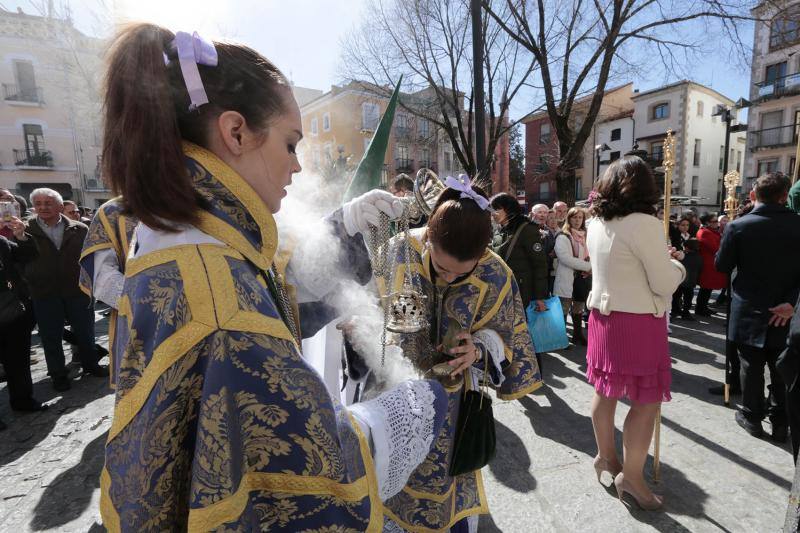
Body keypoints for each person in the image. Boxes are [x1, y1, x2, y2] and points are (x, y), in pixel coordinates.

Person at [98, 24, 450, 531]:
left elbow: (275, 291)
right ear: (235, 132)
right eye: (290, 143)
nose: (297, 167)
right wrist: (404, 413)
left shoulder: (184, 238)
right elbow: (306, 469)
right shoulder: (217, 294)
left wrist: (346, 224)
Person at [365, 175, 542, 532]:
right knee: (389, 481)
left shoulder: (496, 274)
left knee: (442, 488)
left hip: (453, 405)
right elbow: (374, 306)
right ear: (428, 236)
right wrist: (365, 326)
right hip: (394, 394)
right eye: (441, 267)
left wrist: (478, 349)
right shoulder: (400, 250)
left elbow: (506, 336)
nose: (446, 278)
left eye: (461, 273)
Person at [585, 156, 685, 511]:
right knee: (646, 402)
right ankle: (632, 476)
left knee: (605, 391)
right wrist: (676, 265)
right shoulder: (644, 223)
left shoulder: (596, 221)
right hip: (637, 322)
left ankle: (606, 457)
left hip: (602, 317)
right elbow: (663, 282)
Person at [716, 172, 800, 443]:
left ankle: (752, 417)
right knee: (781, 368)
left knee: (750, 366)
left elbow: (722, 266)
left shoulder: (739, 226)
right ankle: (780, 422)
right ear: (784, 196)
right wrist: (792, 301)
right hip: (785, 309)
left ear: (754, 195)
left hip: (750, 307)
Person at [24, 188, 107, 391]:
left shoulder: (79, 229)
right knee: (50, 336)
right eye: (39, 203)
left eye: (48, 202)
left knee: (85, 332)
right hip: (44, 292)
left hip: (77, 290)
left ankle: (91, 364)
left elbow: (90, 258)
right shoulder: (25, 230)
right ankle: (58, 374)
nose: (43, 207)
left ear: (60, 206)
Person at [79, 197, 138, 387]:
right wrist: (144, 305)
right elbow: (102, 273)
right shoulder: (113, 211)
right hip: (139, 317)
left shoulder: (209, 199)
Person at [0, 216, 47, 426]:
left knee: (18, 361)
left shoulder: (1, 242)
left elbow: (28, 255)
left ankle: (23, 400)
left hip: (13, 313)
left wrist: (21, 236)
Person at [490, 192, 548, 311]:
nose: (493, 213)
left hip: (521, 292)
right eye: (492, 209)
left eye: (497, 209)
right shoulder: (499, 230)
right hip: (501, 288)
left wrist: (539, 296)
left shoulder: (526, 229)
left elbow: (540, 264)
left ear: (508, 209)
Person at [554, 207, 591, 345]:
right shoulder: (563, 236)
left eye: (580, 217)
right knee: (563, 308)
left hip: (582, 277)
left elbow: (591, 253)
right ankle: (561, 338)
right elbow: (565, 258)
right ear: (569, 219)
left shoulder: (585, 235)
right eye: (574, 217)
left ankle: (578, 335)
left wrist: (589, 267)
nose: (577, 220)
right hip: (568, 276)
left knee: (579, 307)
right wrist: (588, 267)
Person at [695, 212, 726, 316]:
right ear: (707, 223)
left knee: (707, 288)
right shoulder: (705, 232)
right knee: (706, 288)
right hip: (708, 263)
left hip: (710, 262)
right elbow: (715, 248)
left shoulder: (709, 231)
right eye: (714, 221)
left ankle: (703, 307)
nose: (717, 223)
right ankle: (700, 308)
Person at [671, 238, 701, 321]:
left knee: (676, 296)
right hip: (691, 281)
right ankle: (686, 312)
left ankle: (675, 310)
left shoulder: (682, 256)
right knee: (688, 298)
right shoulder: (699, 257)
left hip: (680, 280)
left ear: (686, 247)